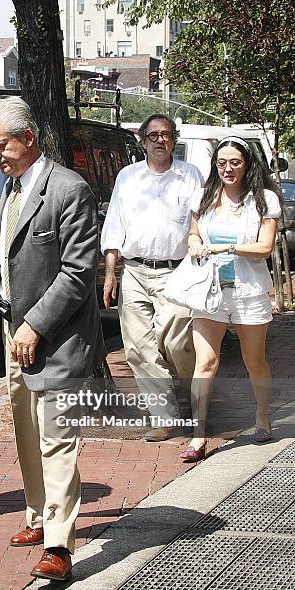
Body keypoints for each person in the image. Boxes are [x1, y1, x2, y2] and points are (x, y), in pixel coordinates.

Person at [0, 97, 105, 581]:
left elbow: (77, 273)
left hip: (57, 338)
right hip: (14, 334)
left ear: (28, 139)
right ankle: (38, 513)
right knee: (25, 432)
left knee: (56, 439)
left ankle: (59, 547)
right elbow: (13, 259)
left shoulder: (70, 190)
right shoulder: (10, 191)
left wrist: (35, 324)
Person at [101, 113, 203, 441]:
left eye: (167, 135)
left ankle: (190, 391)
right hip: (134, 270)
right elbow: (114, 225)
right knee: (137, 348)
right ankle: (166, 414)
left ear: (174, 140)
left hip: (179, 271)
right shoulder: (128, 178)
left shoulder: (189, 175)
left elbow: (199, 220)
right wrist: (110, 273)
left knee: (175, 341)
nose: (161, 140)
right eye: (154, 135)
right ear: (143, 141)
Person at [180, 136, 282, 461]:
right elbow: (193, 233)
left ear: (247, 164)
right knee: (206, 362)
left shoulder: (264, 200)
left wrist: (227, 248)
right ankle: (198, 436)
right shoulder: (204, 196)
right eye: (222, 162)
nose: (227, 168)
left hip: (248, 292)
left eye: (235, 162)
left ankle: (262, 417)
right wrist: (195, 243)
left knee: (254, 361)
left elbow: (265, 247)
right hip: (208, 292)